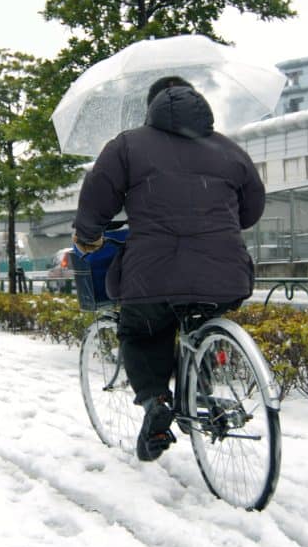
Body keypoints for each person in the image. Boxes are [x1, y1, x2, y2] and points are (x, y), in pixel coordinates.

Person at [73, 75, 266, 461]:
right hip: (224, 272)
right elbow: (251, 211)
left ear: (151, 107)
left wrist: (89, 235)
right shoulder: (230, 150)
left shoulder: (128, 145)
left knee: (141, 330)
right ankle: (199, 386)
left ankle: (156, 400)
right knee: (201, 322)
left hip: (153, 273)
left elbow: (97, 197)